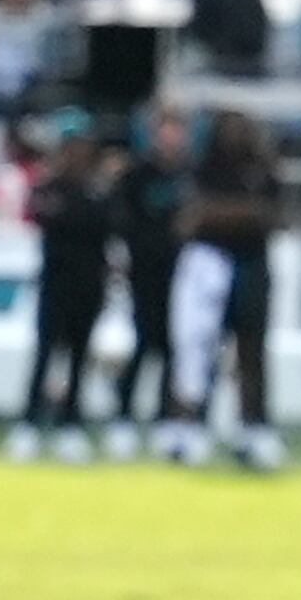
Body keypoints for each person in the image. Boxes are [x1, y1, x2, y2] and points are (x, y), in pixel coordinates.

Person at [164, 108, 286, 469]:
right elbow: (189, 217)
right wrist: (244, 214)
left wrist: (222, 215)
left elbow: (275, 216)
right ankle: (193, 426)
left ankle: (255, 428)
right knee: (199, 349)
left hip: (250, 265)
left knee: (251, 350)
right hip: (208, 264)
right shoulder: (201, 169)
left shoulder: (263, 172)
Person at [6, 123, 116, 462]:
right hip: (56, 282)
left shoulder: (100, 192)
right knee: (45, 354)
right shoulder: (50, 186)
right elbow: (44, 216)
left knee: (80, 356)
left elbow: (107, 223)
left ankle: (72, 423)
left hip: (89, 283)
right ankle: (30, 422)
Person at [105, 108, 189, 459]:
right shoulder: (138, 174)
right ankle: (123, 416)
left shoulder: (190, 175)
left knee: (174, 346)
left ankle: (164, 419)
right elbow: (122, 219)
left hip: (182, 272)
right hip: (145, 268)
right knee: (143, 342)